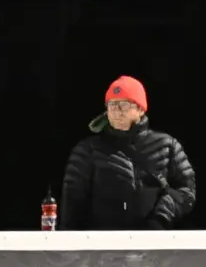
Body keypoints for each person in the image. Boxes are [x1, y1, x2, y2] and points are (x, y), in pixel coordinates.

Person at [58, 75, 196, 229]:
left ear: (140, 109)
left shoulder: (168, 146)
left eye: (124, 105)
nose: (117, 111)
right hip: (104, 242)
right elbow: (72, 206)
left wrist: (160, 219)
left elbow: (186, 192)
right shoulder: (86, 150)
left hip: (154, 241)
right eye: (112, 105)